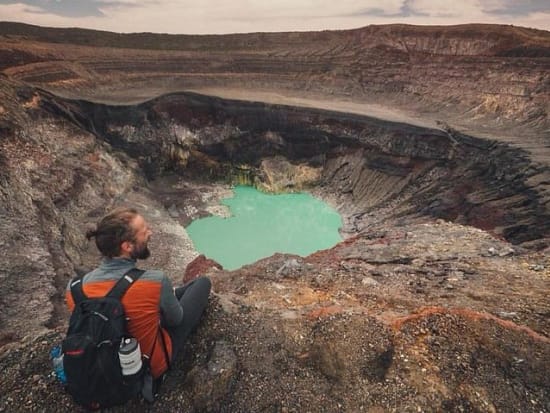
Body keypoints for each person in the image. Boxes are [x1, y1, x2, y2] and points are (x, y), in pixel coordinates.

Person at [65, 207, 211, 382]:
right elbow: (175, 320)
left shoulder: (74, 289)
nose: (151, 232)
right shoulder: (154, 281)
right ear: (127, 246)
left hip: (98, 368)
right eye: (144, 231)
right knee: (202, 283)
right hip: (147, 368)